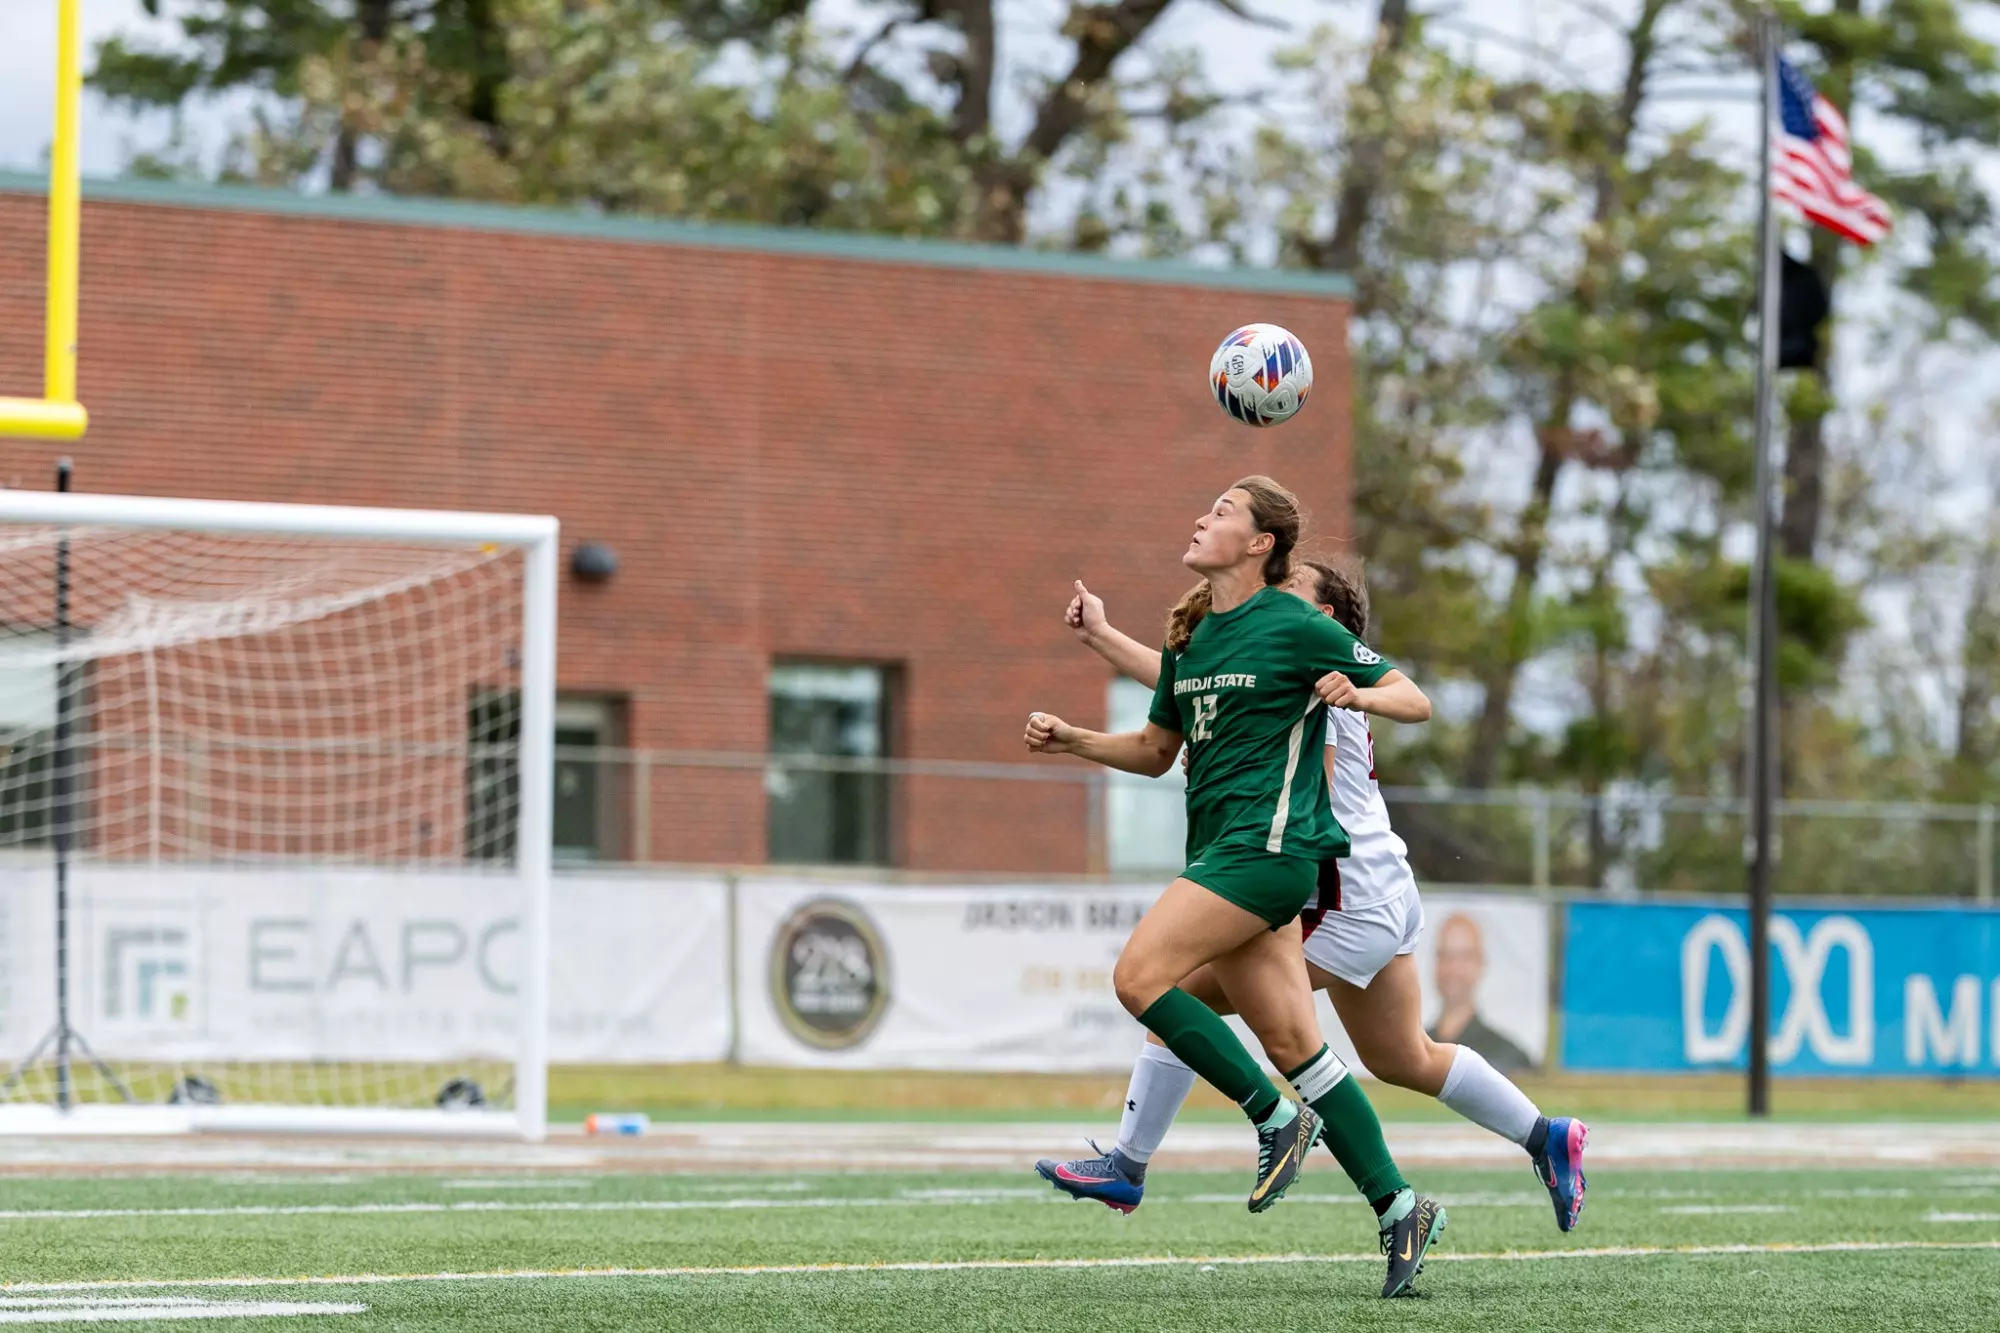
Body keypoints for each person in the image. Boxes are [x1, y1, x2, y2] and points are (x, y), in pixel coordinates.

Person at [1036, 557, 1588, 1235]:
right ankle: (1545, 1135)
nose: (1270, 595)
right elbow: (1200, 680)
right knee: (1401, 1055)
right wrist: (1103, 636)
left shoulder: (1322, 676)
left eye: (1290, 587)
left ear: (1322, 618)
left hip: (1342, 891)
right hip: (1380, 885)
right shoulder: (1295, 671)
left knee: (1177, 995)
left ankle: (1135, 1161)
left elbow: (1328, 732)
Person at [1024, 478, 1446, 1300]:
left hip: (1270, 851)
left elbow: (1415, 698)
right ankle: (1401, 1205)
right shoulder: (1191, 637)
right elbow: (1155, 749)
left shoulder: (1295, 623)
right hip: (1227, 847)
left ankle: (1274, 1118)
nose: (1200, 517)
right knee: (1301, 1051)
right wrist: (1074, 739)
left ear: (1260, 544)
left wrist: (1358, 691)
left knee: (1141, 978)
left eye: (1221, 512)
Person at [1428, 912, 1535, 1073]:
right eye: (1446, 955)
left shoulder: (1508, 1056)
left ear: (1481, 964)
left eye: (1465, 957)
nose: (1454, 968)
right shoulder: (1416, 1048)